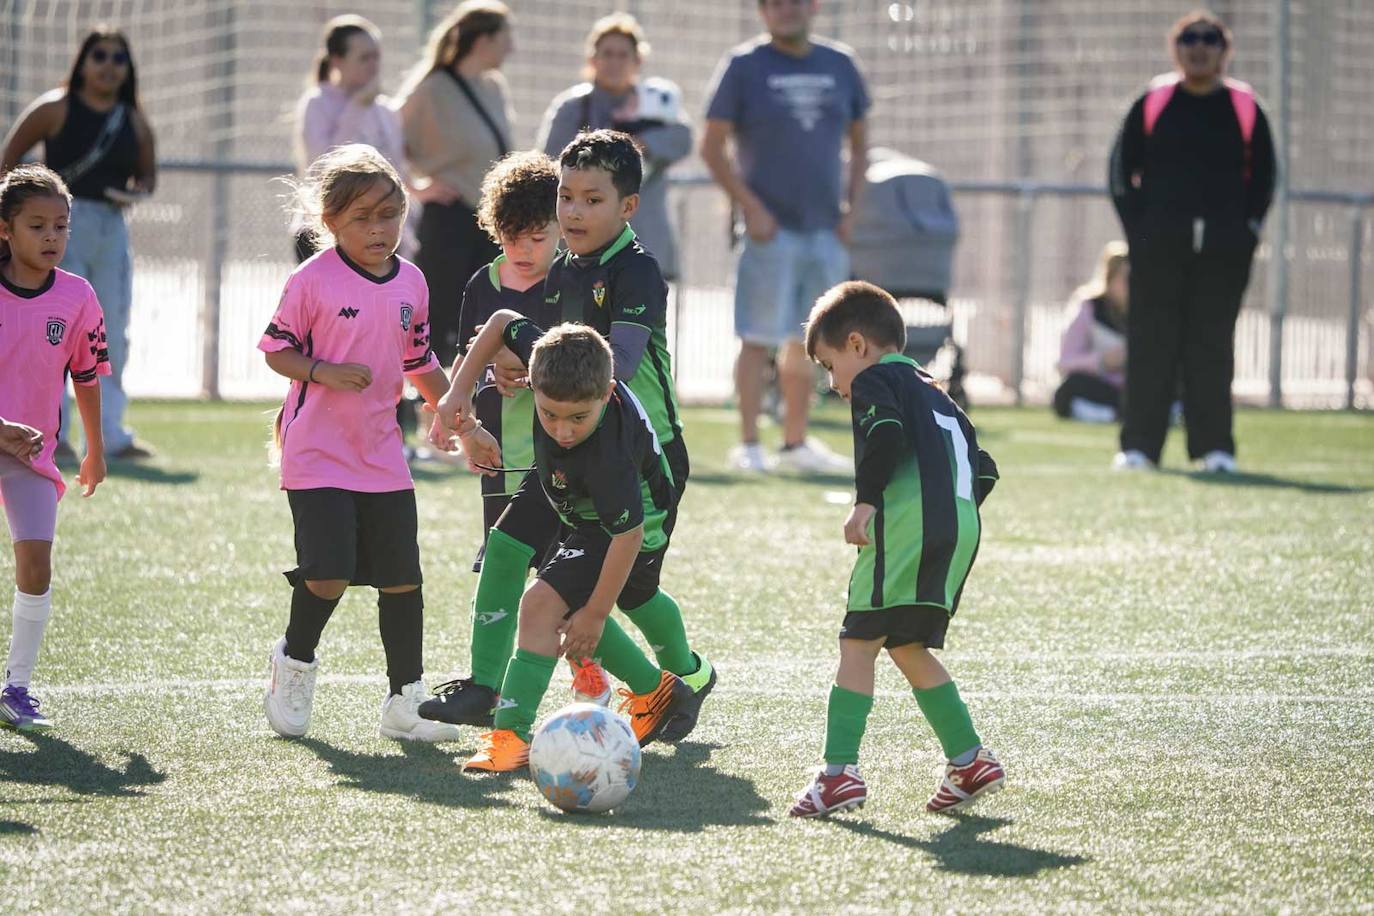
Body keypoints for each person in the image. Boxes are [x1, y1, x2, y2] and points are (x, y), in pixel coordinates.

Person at [419, 133, 715, 738]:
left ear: (627, 207)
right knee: (509, 550)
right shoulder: (564, 270)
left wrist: (534, 366)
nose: (573, 213)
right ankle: (484, 687)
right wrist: (489, 380)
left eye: (592, 199)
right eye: (566, 196)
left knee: (621, 596)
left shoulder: (636, 273)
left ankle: (682, 675)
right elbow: (524, 336)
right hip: (570, 446)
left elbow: (617, 369)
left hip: (637, 459)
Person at [434, 317, 701, 772]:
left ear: (606, 391)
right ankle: (651, 690)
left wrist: (596, 615)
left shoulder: (609, 459)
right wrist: (457, 394)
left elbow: (628, 535)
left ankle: (511, 736)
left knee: (541, 607)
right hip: (566, 489)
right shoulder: (555, 356)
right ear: (533, 382)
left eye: (578, 417)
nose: (562, 430)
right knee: (509, 550)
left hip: (631, 524)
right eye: (549, 414)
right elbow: (502, 323)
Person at [257, 145, 459, 743]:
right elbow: (275, 351)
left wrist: (455, 414)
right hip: (316, 453)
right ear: (331, 222)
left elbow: (419, 356)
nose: (379, 229)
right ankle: (293, 662)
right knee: (330, 573)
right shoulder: (311, 279)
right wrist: (322, 371)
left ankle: (406, 701)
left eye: (390, 214)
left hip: (382, 455)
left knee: (403, 577)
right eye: (363, 218)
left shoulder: (413, 282)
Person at [789, 281, 1005, 817]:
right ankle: (968, 759)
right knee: (905, 644)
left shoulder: (876, 381)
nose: (832, 381)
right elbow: (985, 469)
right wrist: (946, 518)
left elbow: (883, 433)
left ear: (858, 345)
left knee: (858, 641)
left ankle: (839, 773)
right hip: (958, 529)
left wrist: (865, 503)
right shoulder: (936, 390)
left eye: (829, 364)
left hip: (907, 526)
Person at [415, 150, 568, 724]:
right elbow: (466, 355)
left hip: (557, 455)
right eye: (510, 237)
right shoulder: (483, 282)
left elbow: (571, 358)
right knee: (502, 565)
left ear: (558, 230)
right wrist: (451, 411)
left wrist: (526, 365)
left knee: (559, 576)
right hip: (499, 452)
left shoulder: (568, 284)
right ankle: (489, 684)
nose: (523, 251)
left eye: (535, 237)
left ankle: (589, 673)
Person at [701, 0, 870, 474]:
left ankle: (795, 443)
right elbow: (711, 146)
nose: (785, 10)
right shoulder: (743, 66)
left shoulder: (841, 64)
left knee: (814, 342)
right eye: (774, 3)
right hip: (769, 233)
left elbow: (860, 145)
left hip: (825, 232)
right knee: (758, 339)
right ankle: (750, 444)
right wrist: (750, 208)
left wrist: (851, 213)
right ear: (761, 11)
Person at [1109, 10, 1275, 473]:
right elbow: (1121, 172)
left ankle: (1214, 449)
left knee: (1212, 344)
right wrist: (1139, 235)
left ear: (1226, 49)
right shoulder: (1154, 101)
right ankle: (1139, 447)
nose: (1199, 47)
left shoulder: (1244, 107)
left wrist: (1247, 232)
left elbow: (1264, 178)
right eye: (1189, 38)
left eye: (1210, 39)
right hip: (1159, 248)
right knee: (1151, 344)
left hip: (1224, 252)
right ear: (1174, 46)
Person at [2, 27, 157, 462]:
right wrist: (26, 216)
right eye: (100, 56)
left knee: (108, 332)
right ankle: (49, 433)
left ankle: (111, 436)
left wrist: (137, 191)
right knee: (49, 329)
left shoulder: (132, 118)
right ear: (83, 61)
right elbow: (9, 159)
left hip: (110, 225)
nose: (109, 66)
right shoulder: (56, 107)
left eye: (118, 59)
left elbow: (148, 174)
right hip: (54, 224)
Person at [0, 165, 109, 730]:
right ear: (5, 229)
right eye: (36, 226)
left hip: (30, 456)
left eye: (60, 227)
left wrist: (94, 447)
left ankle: (16, 687)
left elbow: (86, 377)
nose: (50, 238)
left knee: (36, 564)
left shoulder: (77, 297)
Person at [398, 0, 514, 368]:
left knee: (485, 310)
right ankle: (424, 400)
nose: (512, 48)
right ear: (483, 41)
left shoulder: (493, 87)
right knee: (440, 312)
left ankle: (476, 397)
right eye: (505, 37)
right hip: (449, 216)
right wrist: (415, 188)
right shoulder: (432, 88)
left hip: (489, 219)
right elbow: (389, 140)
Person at [535, 13, 692, 280]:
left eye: (623, 54)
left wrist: (642, 143)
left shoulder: (656, 102)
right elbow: (550, 163)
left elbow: (683, 139)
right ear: (592, 59)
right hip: (584, 242)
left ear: (637, 60)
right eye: (607, 54)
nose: (615, 62)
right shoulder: (573, 106)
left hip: (645, 236)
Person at [292, 15, 410, 262]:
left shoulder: (385, 111)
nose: (373, 65)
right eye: (364, 57)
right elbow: (322, 165)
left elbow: (397, 171)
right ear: (337, 60)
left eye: (376, 56)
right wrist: (356, 108)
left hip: (378, 232)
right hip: (324, 231)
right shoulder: (317, 104)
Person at [1054, 241, 1129, 423]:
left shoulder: (1150, 313)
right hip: (1102, 387)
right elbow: (1065, 363)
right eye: (1125, 278)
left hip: (1136, 388)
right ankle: (1114, 415)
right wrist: (1102, 361)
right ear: (1109, 278)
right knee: (1068, 390)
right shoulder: (1090, 308)